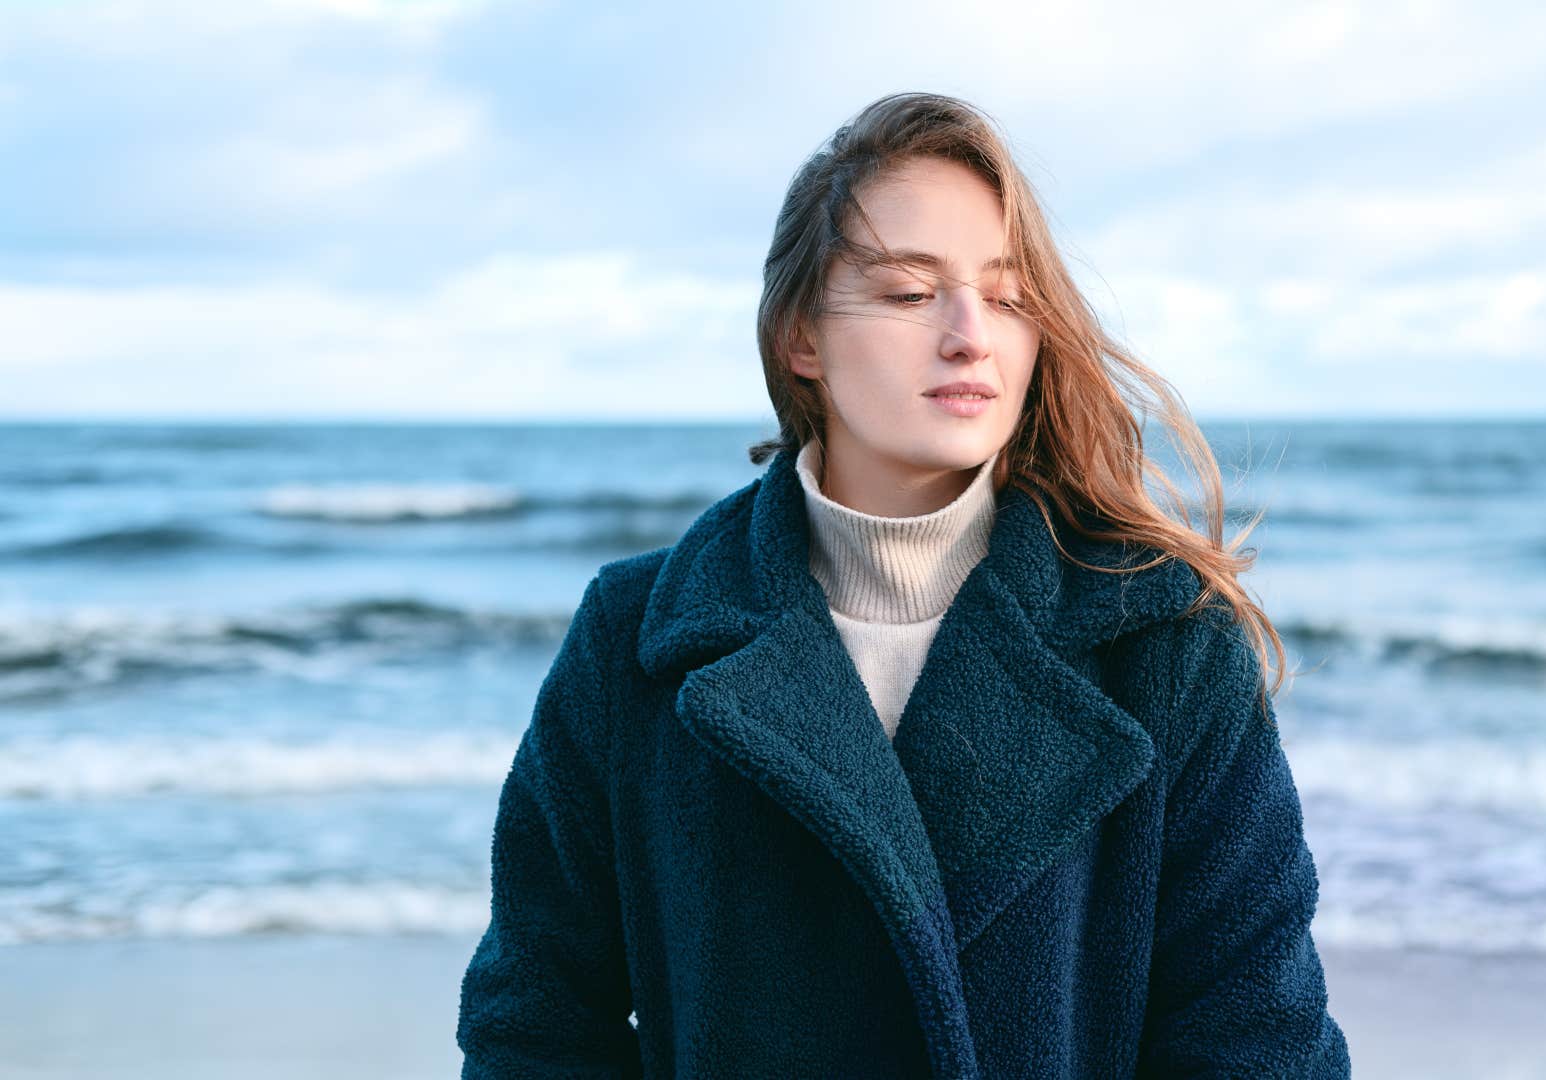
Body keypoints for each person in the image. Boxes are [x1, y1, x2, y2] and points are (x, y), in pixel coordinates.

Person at [457, 91, 1350, 1078]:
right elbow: (534, 1023)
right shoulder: (633, 640)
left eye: (1008, 297)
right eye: (907, 292)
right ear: (801, 336)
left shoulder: (1163, 640)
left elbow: (1257, 1041)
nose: (971, 334)